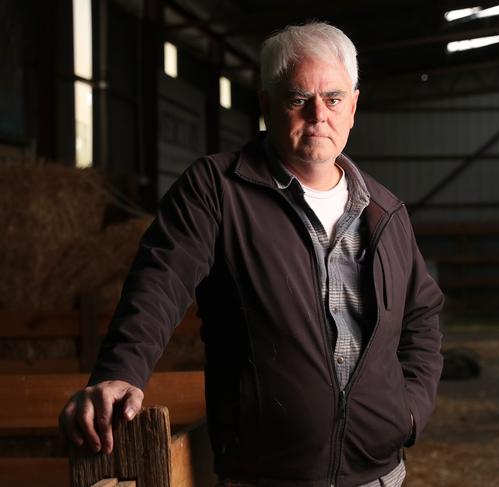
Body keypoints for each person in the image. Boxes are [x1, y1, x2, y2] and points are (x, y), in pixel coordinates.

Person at [59, 22, 444, 487]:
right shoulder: (217, 190)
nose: (319, 114)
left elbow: (422, 316)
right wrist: (121, 372)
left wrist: (408, 413)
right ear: (266, 104)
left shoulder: (385, 213)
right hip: (264, 475)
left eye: (334, 99)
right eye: (299, 99)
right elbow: (161, 280)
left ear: (354, 107)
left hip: (379, 475)